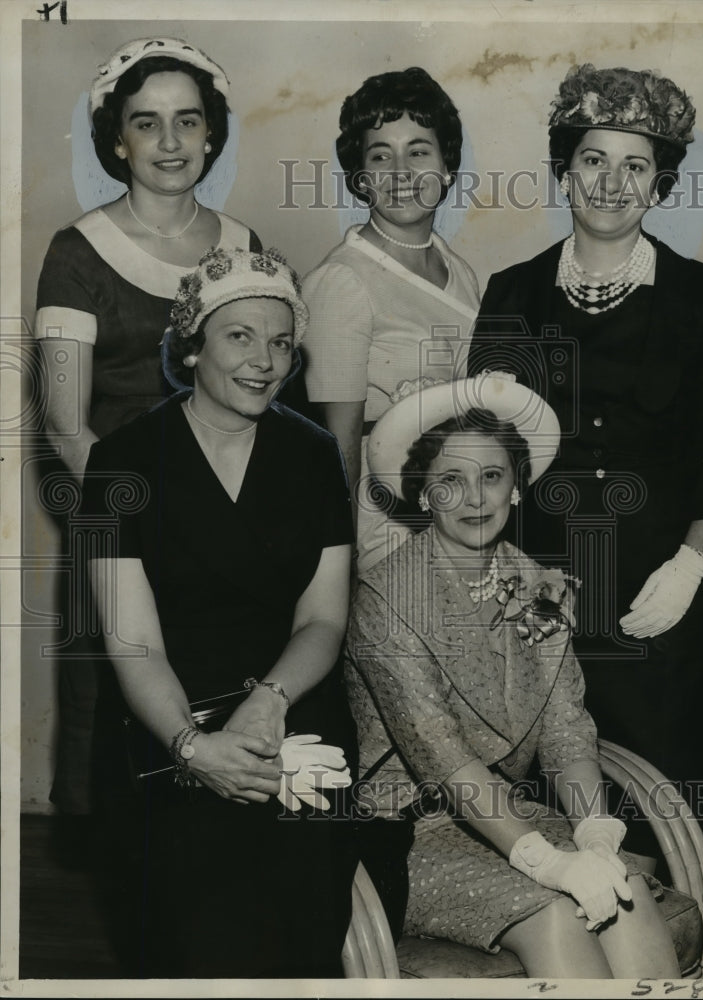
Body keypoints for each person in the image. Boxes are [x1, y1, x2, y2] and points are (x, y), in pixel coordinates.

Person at [467, 65, 703, 827]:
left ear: (659, 185)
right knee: (549, 804)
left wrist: (690, 568)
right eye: (593, 159)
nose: (611, 183)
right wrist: (507, 576)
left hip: (657, 594)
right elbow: (483, 454)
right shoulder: (511, 294)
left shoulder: (701, 298)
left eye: (636, 165)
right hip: (538, 594)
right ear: (564, 169)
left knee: (671, 799)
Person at [79, 247, 358, 977]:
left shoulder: (313, 454)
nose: (264, 361)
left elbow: (323, 620)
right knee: (196, 948)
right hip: (164, 734)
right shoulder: (121, 464)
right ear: (192, 344)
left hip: (292, 716)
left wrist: (269, 704)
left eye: (280, 342)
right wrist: (191, 748)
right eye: (240, 336)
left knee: (299, 952)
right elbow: (132, 641)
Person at [344, 374, 681, 978]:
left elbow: (565, 731)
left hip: (516, 813)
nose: (475, 497)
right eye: (451, 479)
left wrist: (594, 833)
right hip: (410, 835)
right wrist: (549, 863)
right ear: (422, 493)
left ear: (517, 488)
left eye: (492, 476)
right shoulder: (385, 597)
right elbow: (441, 756)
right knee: (557, 910)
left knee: (623, 895)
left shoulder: (539, 587)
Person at [34, 36, 262, 817]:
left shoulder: (244, 250)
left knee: (225, 724)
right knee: (121, 738)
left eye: (187, 122)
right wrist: (154, 518)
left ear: (211, 134)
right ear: (117, 139)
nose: (170, 143)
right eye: (147, 122)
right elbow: (65, 428)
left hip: (226, 531)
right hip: (120, 524)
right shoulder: (77, 254)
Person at [302, 67, 480, 574]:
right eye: (380, 155)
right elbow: (337, 454)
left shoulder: (460, 270)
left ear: (447, 166)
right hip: (382, 524)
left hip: (459, 510)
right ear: (361, 176)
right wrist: (342, 570)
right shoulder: (341, 280)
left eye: (419, 151)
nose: (400, 173)